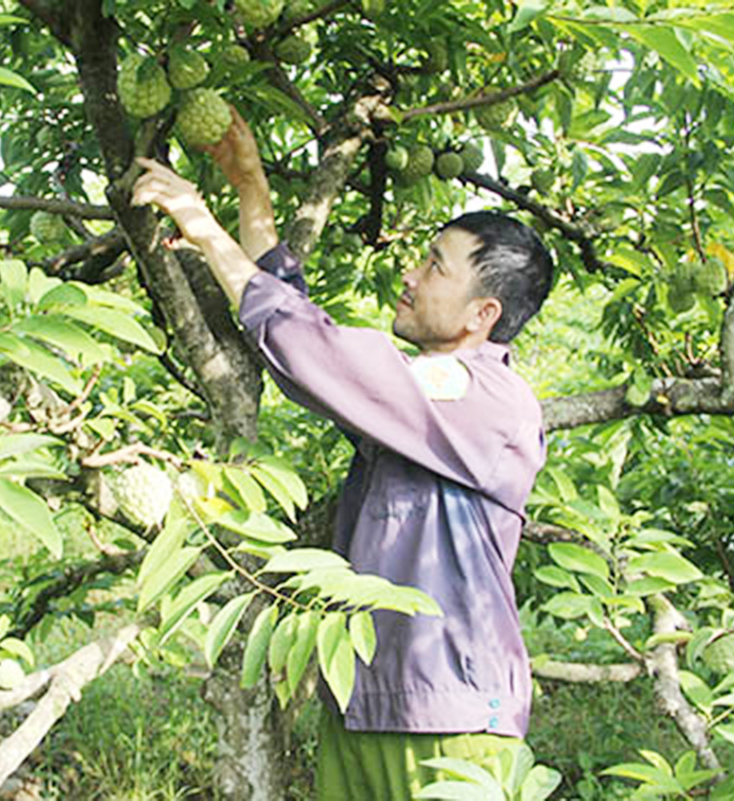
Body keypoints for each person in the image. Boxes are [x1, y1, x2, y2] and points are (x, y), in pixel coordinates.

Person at [132, 110, 554, 800]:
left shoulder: (486, 398)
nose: (412, 275)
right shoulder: (417, 405)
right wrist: (250, 186)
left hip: (446, 714)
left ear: (483, 314)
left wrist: (202, 226)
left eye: (435, 267)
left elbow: (316, 351)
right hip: (364, 702)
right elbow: (300, 329)